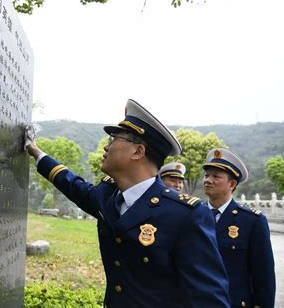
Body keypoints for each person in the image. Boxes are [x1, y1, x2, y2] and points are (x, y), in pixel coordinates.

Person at [26, 99, 230, 307]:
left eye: (114, 138)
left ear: (138, 152)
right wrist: (36, 151)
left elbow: (209, 300)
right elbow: (72, 184)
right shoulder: (108, 195)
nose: (107, 145)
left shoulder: (186, 214)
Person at [203, 148, 276, 308]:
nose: (208, 180)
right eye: (207, 175)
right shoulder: (193, 215)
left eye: (216, 176)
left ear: (232, 184)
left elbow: (263, 275)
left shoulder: (252, 221)